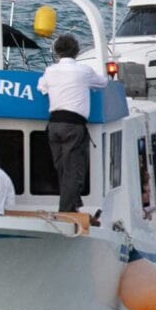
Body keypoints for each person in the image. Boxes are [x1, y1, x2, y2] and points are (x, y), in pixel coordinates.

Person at [37, 34, 108, 213]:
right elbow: (103, 83)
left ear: (57, 51)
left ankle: (74, 203)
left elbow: (42, 87)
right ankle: (66, 211)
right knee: (73, 169)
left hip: (54, 125)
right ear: (76, 51)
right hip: (74, 125)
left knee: (61, 167)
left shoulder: (50, 70)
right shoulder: (84, 71)